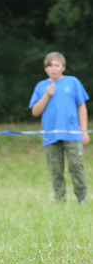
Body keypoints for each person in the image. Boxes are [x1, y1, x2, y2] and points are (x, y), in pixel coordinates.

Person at [29, 52, 89, 203]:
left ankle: (81, 198)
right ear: (45, 69)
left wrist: (83, 131)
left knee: (76, 166)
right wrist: (47, 95)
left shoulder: (73, 82)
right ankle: (60, 199)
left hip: (73, 134)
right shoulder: (41, 86)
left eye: (56, 65)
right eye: (50, 66)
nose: (53, 69)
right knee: (56, 171)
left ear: (63, 67)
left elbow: (82, 106)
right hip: (51, 136)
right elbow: (35, 111)